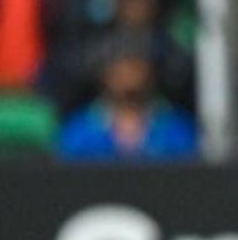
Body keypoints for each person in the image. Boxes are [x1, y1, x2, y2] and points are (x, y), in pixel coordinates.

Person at [57, 40, 196, 160]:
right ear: (105, 75)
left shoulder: (177, 129)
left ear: (151, 74)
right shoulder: (79, 132)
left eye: (135, 67)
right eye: (120, 69)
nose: (128, 77)